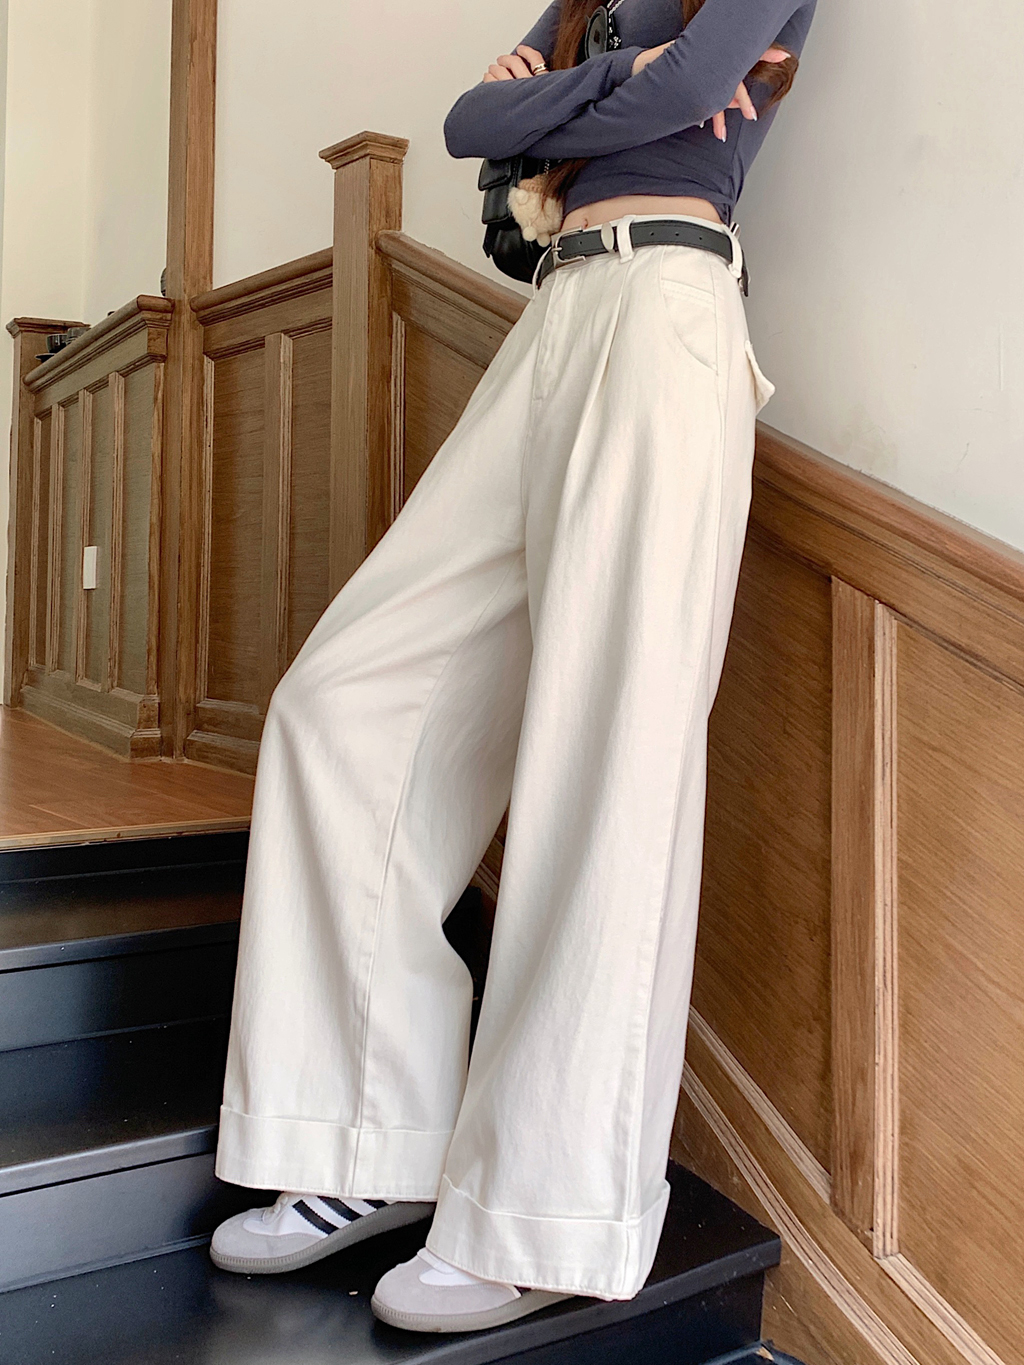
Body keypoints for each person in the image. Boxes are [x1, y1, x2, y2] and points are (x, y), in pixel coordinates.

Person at [209, 0, 816, 1335]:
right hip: (554, 317)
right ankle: (367, 1136)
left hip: (668, 310)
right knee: (343, 703)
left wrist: (593, 92)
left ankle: (540, 1209)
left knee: (608, 749)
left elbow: (688, 91)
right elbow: (468, 122)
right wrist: (628, 77)